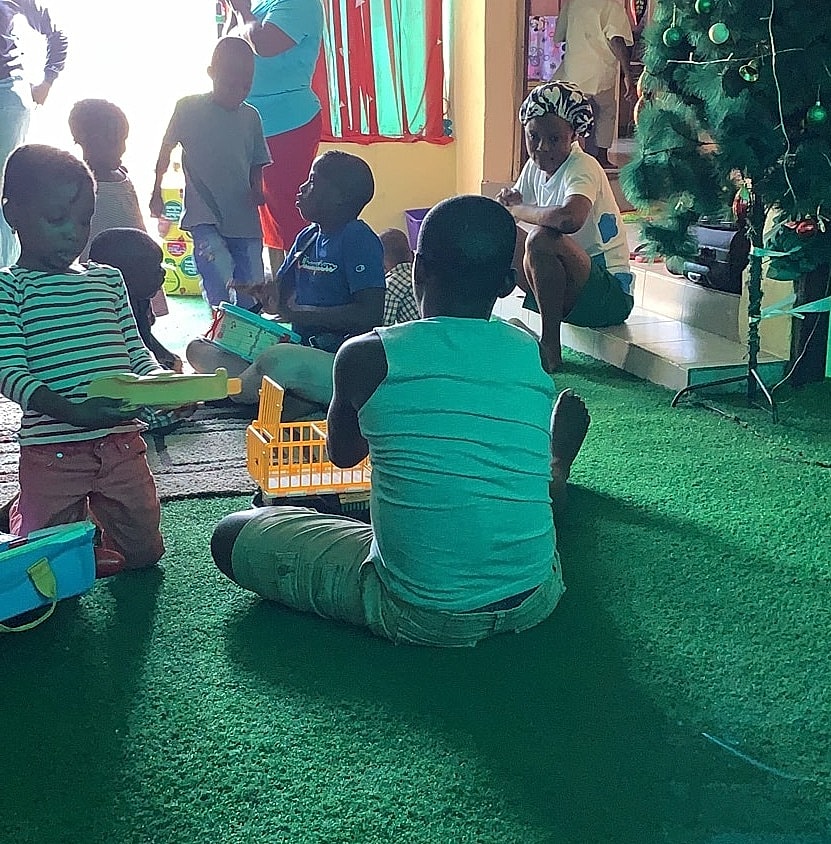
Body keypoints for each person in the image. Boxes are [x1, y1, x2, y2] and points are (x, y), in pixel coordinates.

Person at [210, 194, 592, 647]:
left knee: (231, 534)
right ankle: (553, 469)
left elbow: (345, 454)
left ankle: (424, 543)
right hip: (536, 596)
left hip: (417, 611)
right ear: (509, 284)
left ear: (417, 270)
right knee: (505, 485)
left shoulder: (366, 355)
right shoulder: (528, 350)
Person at [0, 145, 165, 576]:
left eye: (84, 220)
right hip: (52, 451)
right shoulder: (10, 289)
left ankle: (84, 538)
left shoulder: (108, 280)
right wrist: (73, 412)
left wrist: (164, 385)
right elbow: (9, 373)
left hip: (121, 444)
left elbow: (136, 353)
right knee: (43, 567)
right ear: (12, 213)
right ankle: (24, 514)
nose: (73, 233)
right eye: (56, 220)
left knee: (144, 554)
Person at [186, 150, 386, 418]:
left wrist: (297, 314)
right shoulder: (306, 238)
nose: (302, 188)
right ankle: (279, 400)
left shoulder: (359, 239)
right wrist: (267, 291)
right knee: (198, 348)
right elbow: (281, 295)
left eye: (313, 182)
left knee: (278, 360)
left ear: (340, 198)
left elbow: (368, 315)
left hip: (339, 361)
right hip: (299, 352)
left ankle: (247, 395)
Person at [497, 81, 634, 373]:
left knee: (541, 240)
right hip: (575, 291)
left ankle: (550, 345)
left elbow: (569, 219)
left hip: (609, 297)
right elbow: (511, 209)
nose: (542, 147)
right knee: (499, 229)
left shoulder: (582, 166)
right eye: (533, 136)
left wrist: (518, 209)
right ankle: (478, 321)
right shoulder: (534, 167)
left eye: (555, 139)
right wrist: (506, 206)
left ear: (573, 135)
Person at [150, 36, 272, 310]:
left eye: (246, 85)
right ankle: (220, 321)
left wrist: (257, 189)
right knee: (217, 267)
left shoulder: (251, 116)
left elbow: (257, 160)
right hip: (204, 214)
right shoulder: (188, 108)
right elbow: (165, 150)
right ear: (211, 73)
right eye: (231, 84)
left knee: (252, 281)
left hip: (243, 215)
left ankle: (247, 327)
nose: (238, 91)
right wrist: (156, 190)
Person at [225, 0, 325, 276]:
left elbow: (265, 44)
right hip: (250, 122)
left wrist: (242, 10)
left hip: (287, 122)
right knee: (267, 216)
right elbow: (229, 51)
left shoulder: (298, 3)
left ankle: (304, 290)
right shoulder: (262, 5)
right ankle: (282, 291)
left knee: (289, 213)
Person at [68, 98, 170, 325]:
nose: (122, 147)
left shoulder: (123, 177)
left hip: (138, 267)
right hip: (100, 273)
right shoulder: (79, 183)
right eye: (114, 141)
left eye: (123, 140)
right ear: (85, 142)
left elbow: (136, 222)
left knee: (141, 318)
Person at [0, 0, 67, 266]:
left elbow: (57, 34)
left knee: (2, 191)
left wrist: (48, 79)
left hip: (5, 94)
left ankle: (5, 282)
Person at [552, 0, 635, 170]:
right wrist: (628, 73)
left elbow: (560, 35)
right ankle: (602, 156)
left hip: (574, 70)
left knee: (571, 114)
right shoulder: (611, 6)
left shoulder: (574, 4)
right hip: (600, 71)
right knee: (607, 112)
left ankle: (571, 155)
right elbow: (616, 40)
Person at [88, 228, 182, 373]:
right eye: (155, 269)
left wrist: (165, 355)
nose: (163, 272)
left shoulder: (140, 300)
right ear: (127, 279)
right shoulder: (104, 311)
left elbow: (143, 337)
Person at [380, 227, 420, 325]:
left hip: (418, 336)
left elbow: (385, 325)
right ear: (411, 253)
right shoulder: (419, 272)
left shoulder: (392, 285)